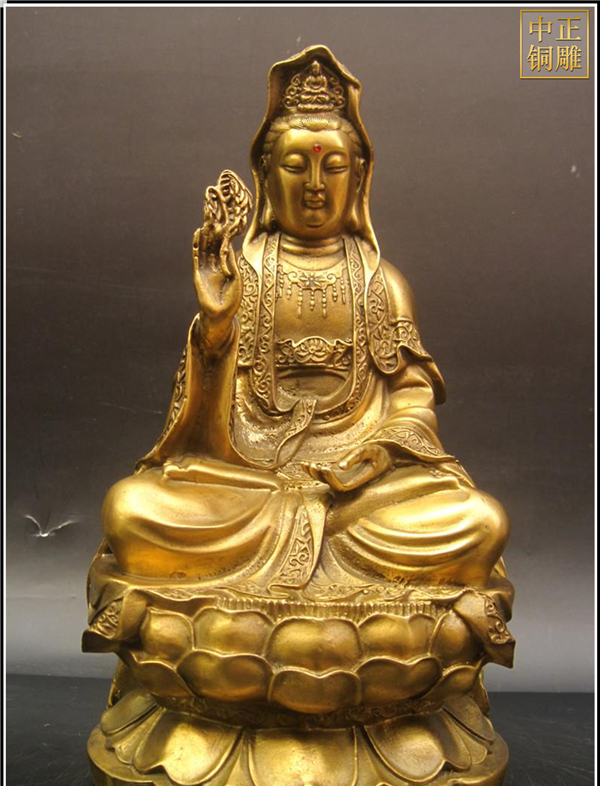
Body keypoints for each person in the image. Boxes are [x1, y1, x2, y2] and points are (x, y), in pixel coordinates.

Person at [99, 47, 509, 596]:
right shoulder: (240, 276)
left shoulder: (382, 284)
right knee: (132, 510)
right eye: (296, 166)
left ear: (358, 178)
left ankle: (295, 572)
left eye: (333, 167)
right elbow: (196, 435)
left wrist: (378, 455)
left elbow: (412, 400)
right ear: (267, 178)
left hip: (357, 495)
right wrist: (215, 328)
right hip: (249, 483)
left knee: (478, 521)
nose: (315, 184)